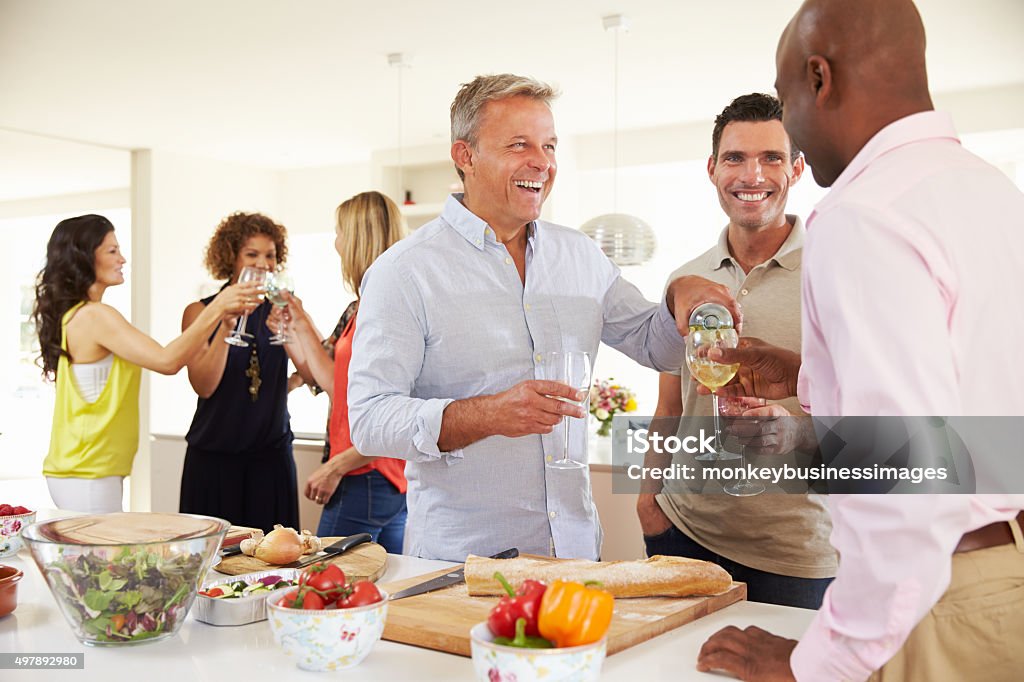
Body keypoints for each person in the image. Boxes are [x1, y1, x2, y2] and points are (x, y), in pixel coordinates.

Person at [695, 1, 1024, 680]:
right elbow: (979, 436)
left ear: (820, 78)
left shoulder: (862, 215)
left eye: (785, 101)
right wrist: (811, 373)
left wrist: (816, 661)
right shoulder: (988, 191)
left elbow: (908, 488)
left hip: (940, 603)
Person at [347, 73, 741, 562]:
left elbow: (653, 345)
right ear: (465, 156)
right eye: (519, 145)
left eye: (550, 146)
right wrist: (488, 414)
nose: (542, 163)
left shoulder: (580, 255)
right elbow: (369, 419)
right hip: (462, 565)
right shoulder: (404, 272)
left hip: (575, 555)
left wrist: (678, 295)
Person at [636, 93, 836, 609]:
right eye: (735, 158)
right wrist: (647, 503)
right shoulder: (688, 280)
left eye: (771, 157)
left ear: (797, 168)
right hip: (684, 538)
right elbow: (671, 407)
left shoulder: (835, 274)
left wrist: (793, 432)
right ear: (712, 169)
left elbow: (872, 414)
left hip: (795, 557)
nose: (753, 175)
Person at [33, 214, 255, 513]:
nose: (122, 258)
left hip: (85, 471)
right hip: (87, 473)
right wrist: (216, 306)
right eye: (112, 250)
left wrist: (221, 319)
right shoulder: (95, 316)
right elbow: (167, 360)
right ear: (84, 257)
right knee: (106, 560)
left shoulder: (81, 314)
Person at [285, 191, 409, 553]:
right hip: (386, 476)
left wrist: (335, 466)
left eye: (339, 231)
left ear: (356, 238)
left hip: (366, 473)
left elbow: (345, 391)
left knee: (325, 582)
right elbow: (327, 375)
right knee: (384, 585)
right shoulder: (366, 305)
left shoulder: (380, 308)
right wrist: (297, 320)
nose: (335, 242)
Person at [179, 212, 309, 531]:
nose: (263, 264)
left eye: (270, 255)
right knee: (213, 564)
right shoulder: (200, 311)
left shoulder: (284, 308)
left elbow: (315, 363)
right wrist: (226, 327)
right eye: (252, 254)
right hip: (214, 460)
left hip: (271, 460)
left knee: (275, 567)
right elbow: (204, 386)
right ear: (230, 258)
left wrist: (287, 384)